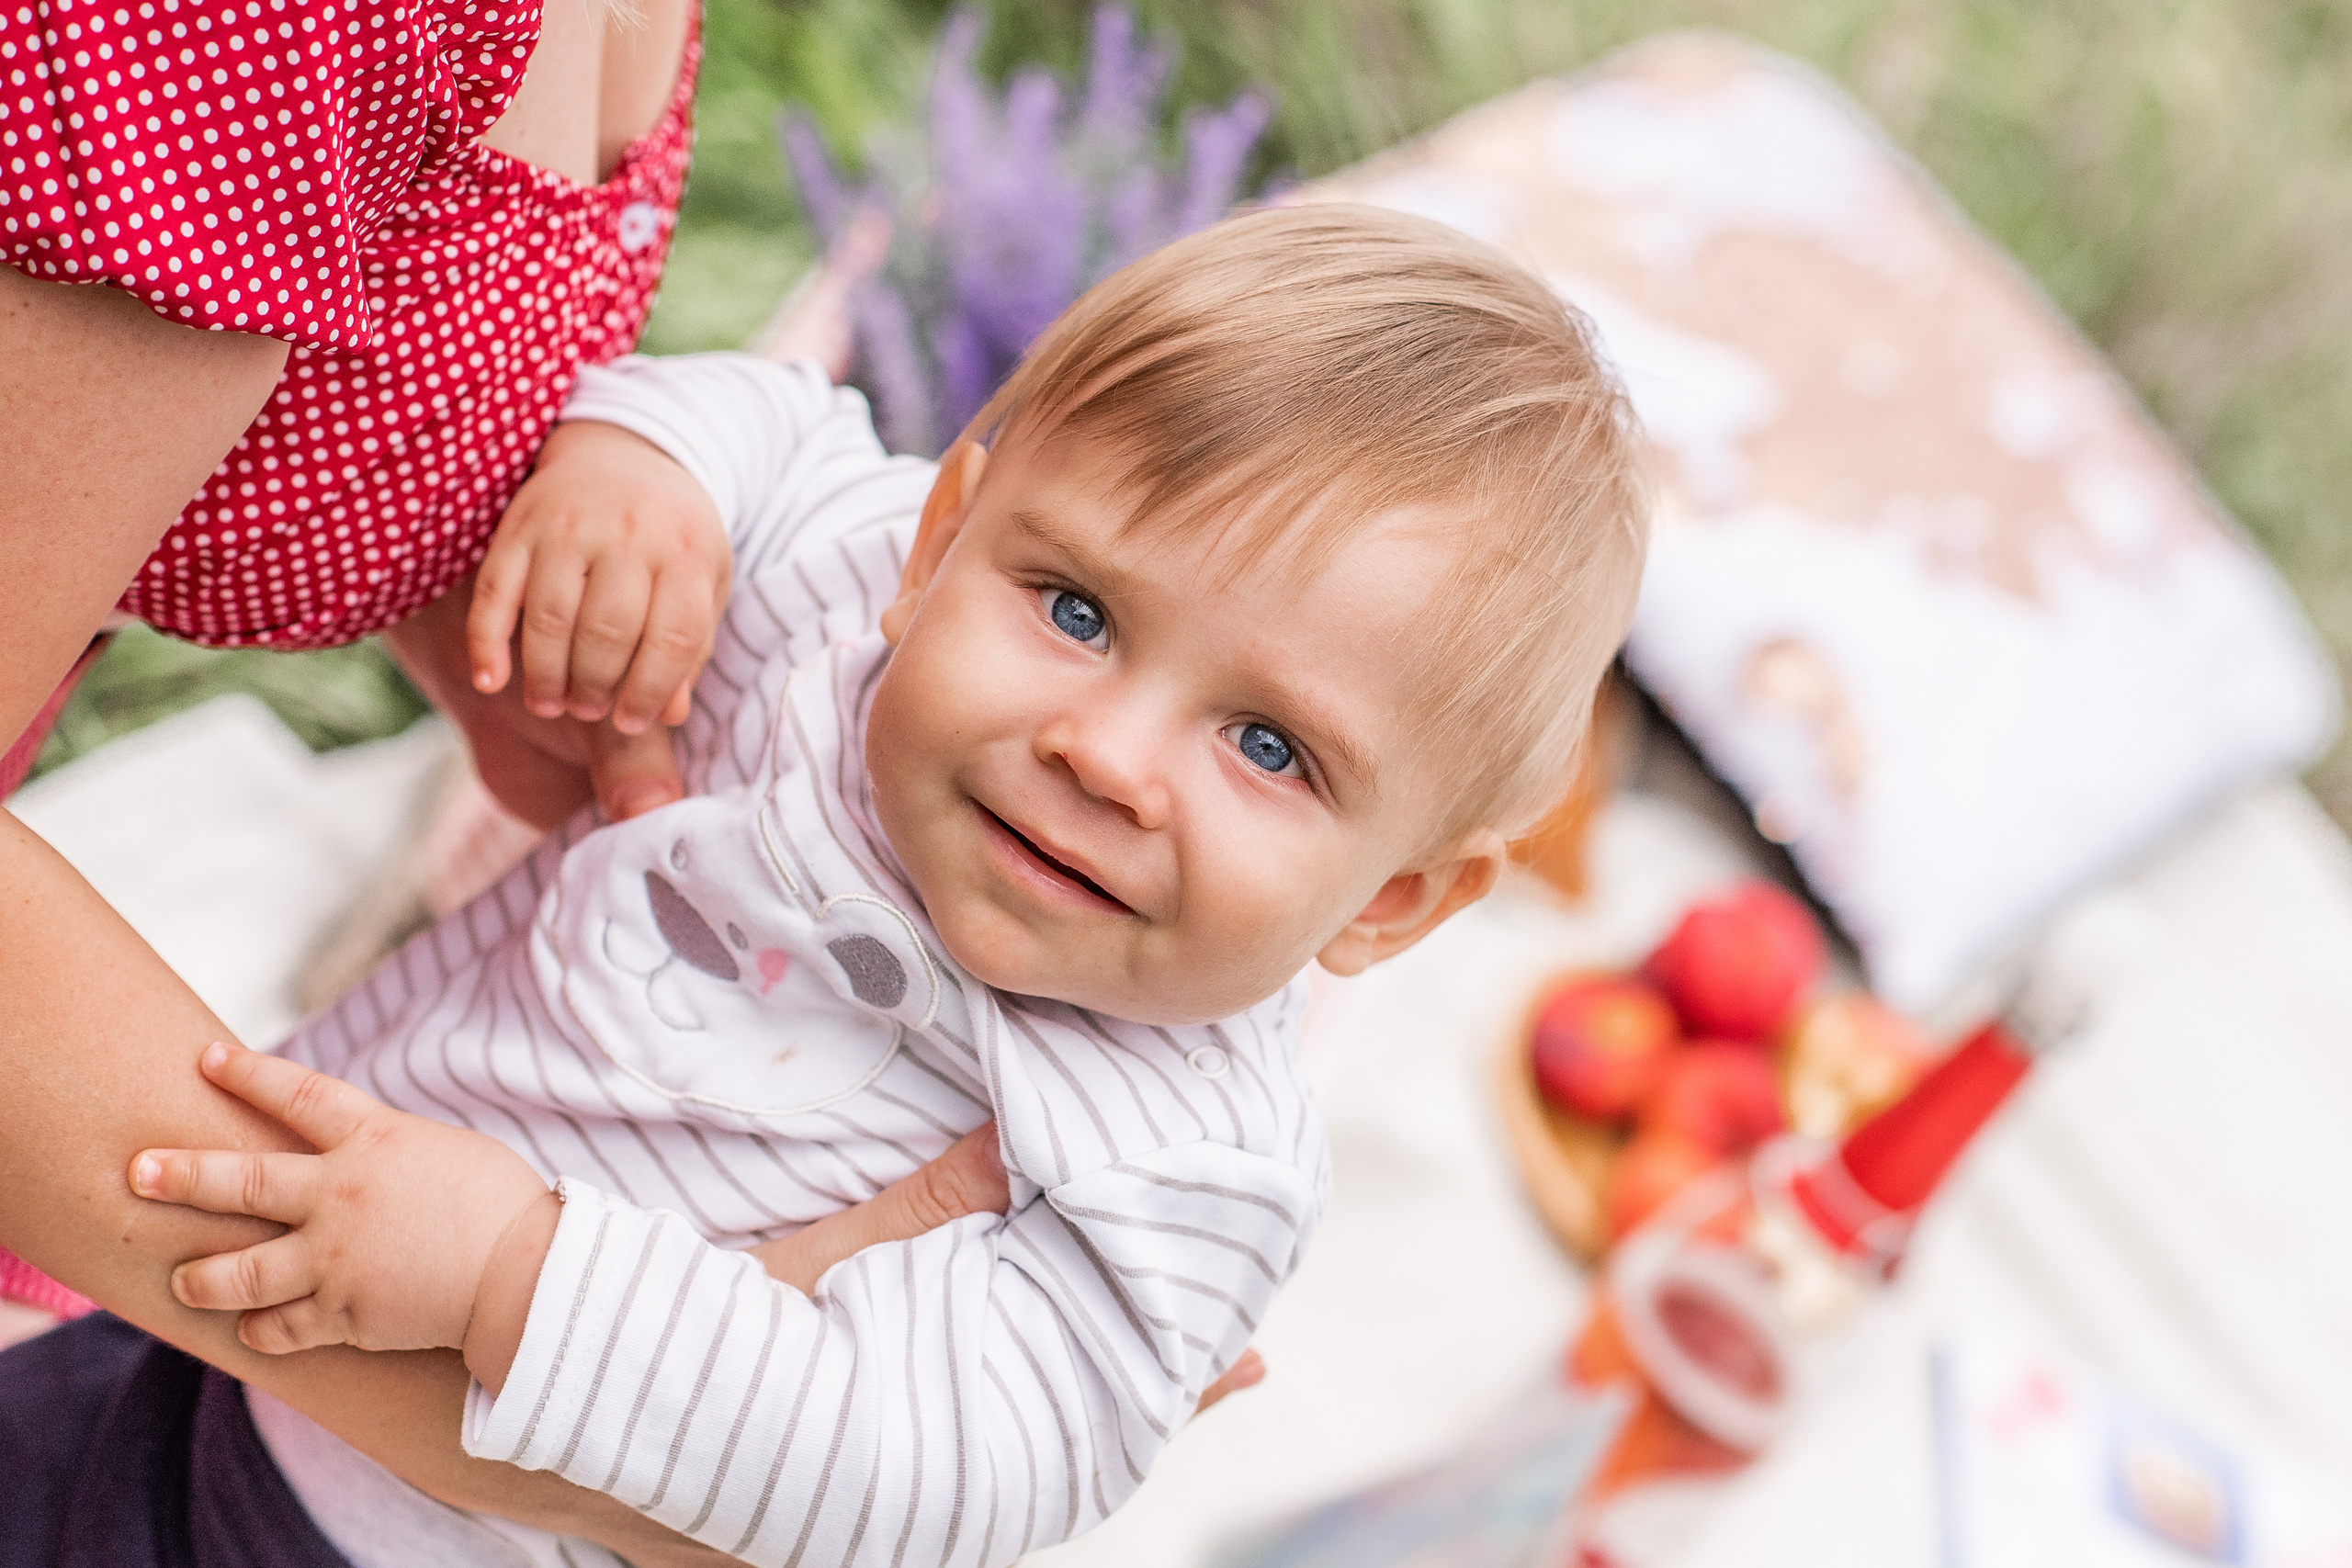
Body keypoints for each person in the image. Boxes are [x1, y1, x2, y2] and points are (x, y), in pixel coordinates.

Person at [45, 205, 1650, 1566]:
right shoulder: (854, 604)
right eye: (1080, 611)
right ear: (944, 536)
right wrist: (646, 473)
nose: (1104, 754)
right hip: (223, 1288)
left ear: (1391, 904)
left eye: (1270, 748)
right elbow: (779, 433)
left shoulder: (1178, 1168)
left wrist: (503, 1274)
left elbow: (927, 1467)